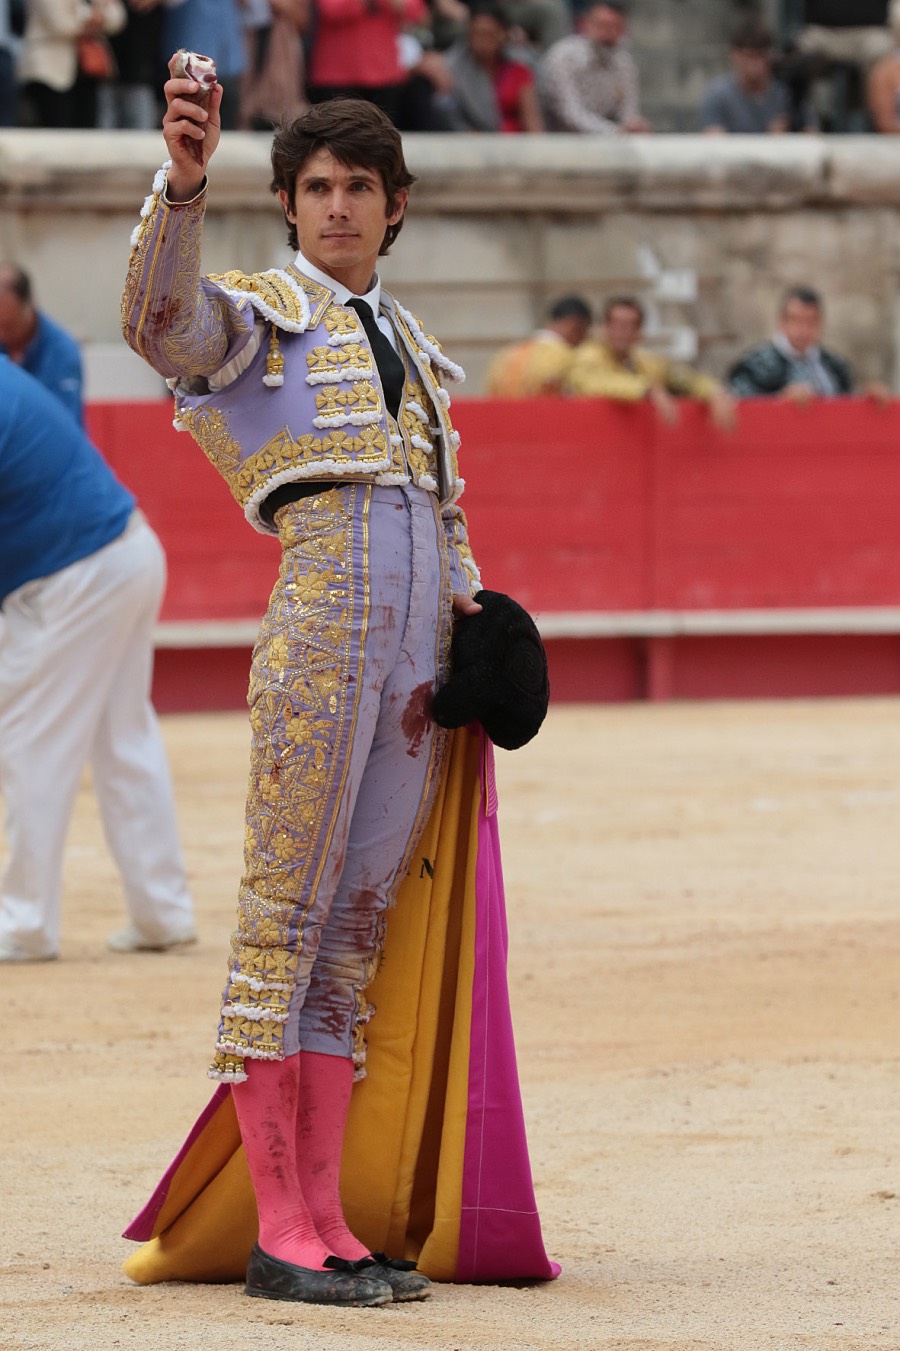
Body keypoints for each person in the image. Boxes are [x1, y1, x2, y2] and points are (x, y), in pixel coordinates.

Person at [120, 59, 553, 1308]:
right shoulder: (259, 314)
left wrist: (475, 616)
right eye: (315, 188)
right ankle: (279, 1227)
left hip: (414, 663)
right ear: (290, 204)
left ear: (394, 203)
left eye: (359, 186)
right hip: (318, 639)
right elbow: (161, 323)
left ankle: (324, 1219)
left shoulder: (412, 343)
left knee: (350, 944)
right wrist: (183, 185)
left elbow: (443, 508)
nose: (337, 207)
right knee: (284, 926)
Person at [0, 357, 196, 962]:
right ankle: (161, 912)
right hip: (125, 553)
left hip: (75, 575)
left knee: (32, 737)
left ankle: (24, 923)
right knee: (122, 740)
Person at [565, 294, 736, 430]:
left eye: (629, 325)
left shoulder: (646, 360)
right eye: (617, 324)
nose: (622, 332)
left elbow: (683, 378)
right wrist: (646, 390)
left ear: (640, 332)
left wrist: (714, 391)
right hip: (596, 438)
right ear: (605, 328)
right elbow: (595, 383)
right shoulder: (587, 355)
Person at [727, 286, 892, 403]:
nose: (803, 329)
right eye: (795, 320)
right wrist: (779, 400)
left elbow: (845, 402)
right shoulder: (755, 363)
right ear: (781, 322)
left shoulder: (834, 364)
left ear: (820, 323)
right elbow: (738, 402)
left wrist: (866, 399)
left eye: (810, 321)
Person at [305, 0, 426, 125]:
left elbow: (415, 11)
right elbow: (330, 11)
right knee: (335, 134)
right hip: (337, 74)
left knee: (381, 135)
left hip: (383, 73)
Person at [537, 0, 649, 135]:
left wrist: (634, 126)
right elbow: (571, 114)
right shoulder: (563, 57)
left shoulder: (624, 63)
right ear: (585, 25)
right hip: (557, 140)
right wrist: (616, 131)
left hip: (604, 142)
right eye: (602, 26)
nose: (608, 34)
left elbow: (629, 113)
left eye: (616, 27)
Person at [439, 0, 544, 132]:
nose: (482, 42)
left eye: (489, 34)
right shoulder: (452, 68)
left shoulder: (519, 68)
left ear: (502, 34)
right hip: (472, 145)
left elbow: (532, 121)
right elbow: (453, 119)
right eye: (476, 34)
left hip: (517, 145)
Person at [18, 0, 126, 129]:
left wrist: (93, 19)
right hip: (50, 71)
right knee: (56, 130)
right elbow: (59, 23)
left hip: (86, 70)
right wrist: (95, 18)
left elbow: (117, 18)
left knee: (87, 132)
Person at [699, 18, 815, 134]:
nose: (755, 64)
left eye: (761, 56)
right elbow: (714, 141)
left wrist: (788, 135)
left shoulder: (787, 92)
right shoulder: (718, 94)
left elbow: (811, 135)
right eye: (749, 56)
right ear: (735, 56)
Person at [0, 263, 84, 422]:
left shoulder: (63, 352)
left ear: (29, 306)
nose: (2, 335)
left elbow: (64, 425)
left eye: (8, 325)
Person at [485, 293, 592, 396]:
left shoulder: (507, 354)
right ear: (575, 324)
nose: (584, 339)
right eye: (585, 331)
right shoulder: (567, 356)